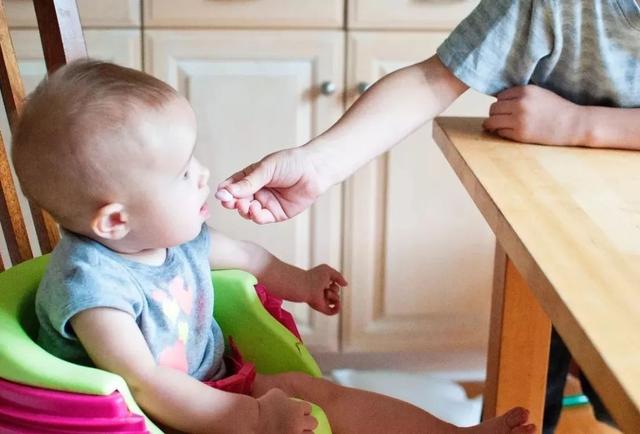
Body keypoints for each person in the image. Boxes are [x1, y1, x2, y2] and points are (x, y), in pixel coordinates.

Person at [11, 59, 535, 434]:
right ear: (116, 219)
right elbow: (145, 386)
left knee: (327, 396)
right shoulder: (94, 291)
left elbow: (251, 258)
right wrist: (257, 420)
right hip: (149, 418)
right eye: (182, 173)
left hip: (218, 385)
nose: (203, 175)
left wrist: (303, 282)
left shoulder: (174, 239)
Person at [215, 0, 640, 431]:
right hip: (558, 233)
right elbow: (433, 79)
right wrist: (318, 164)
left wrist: (582, 124)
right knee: (548, 379)